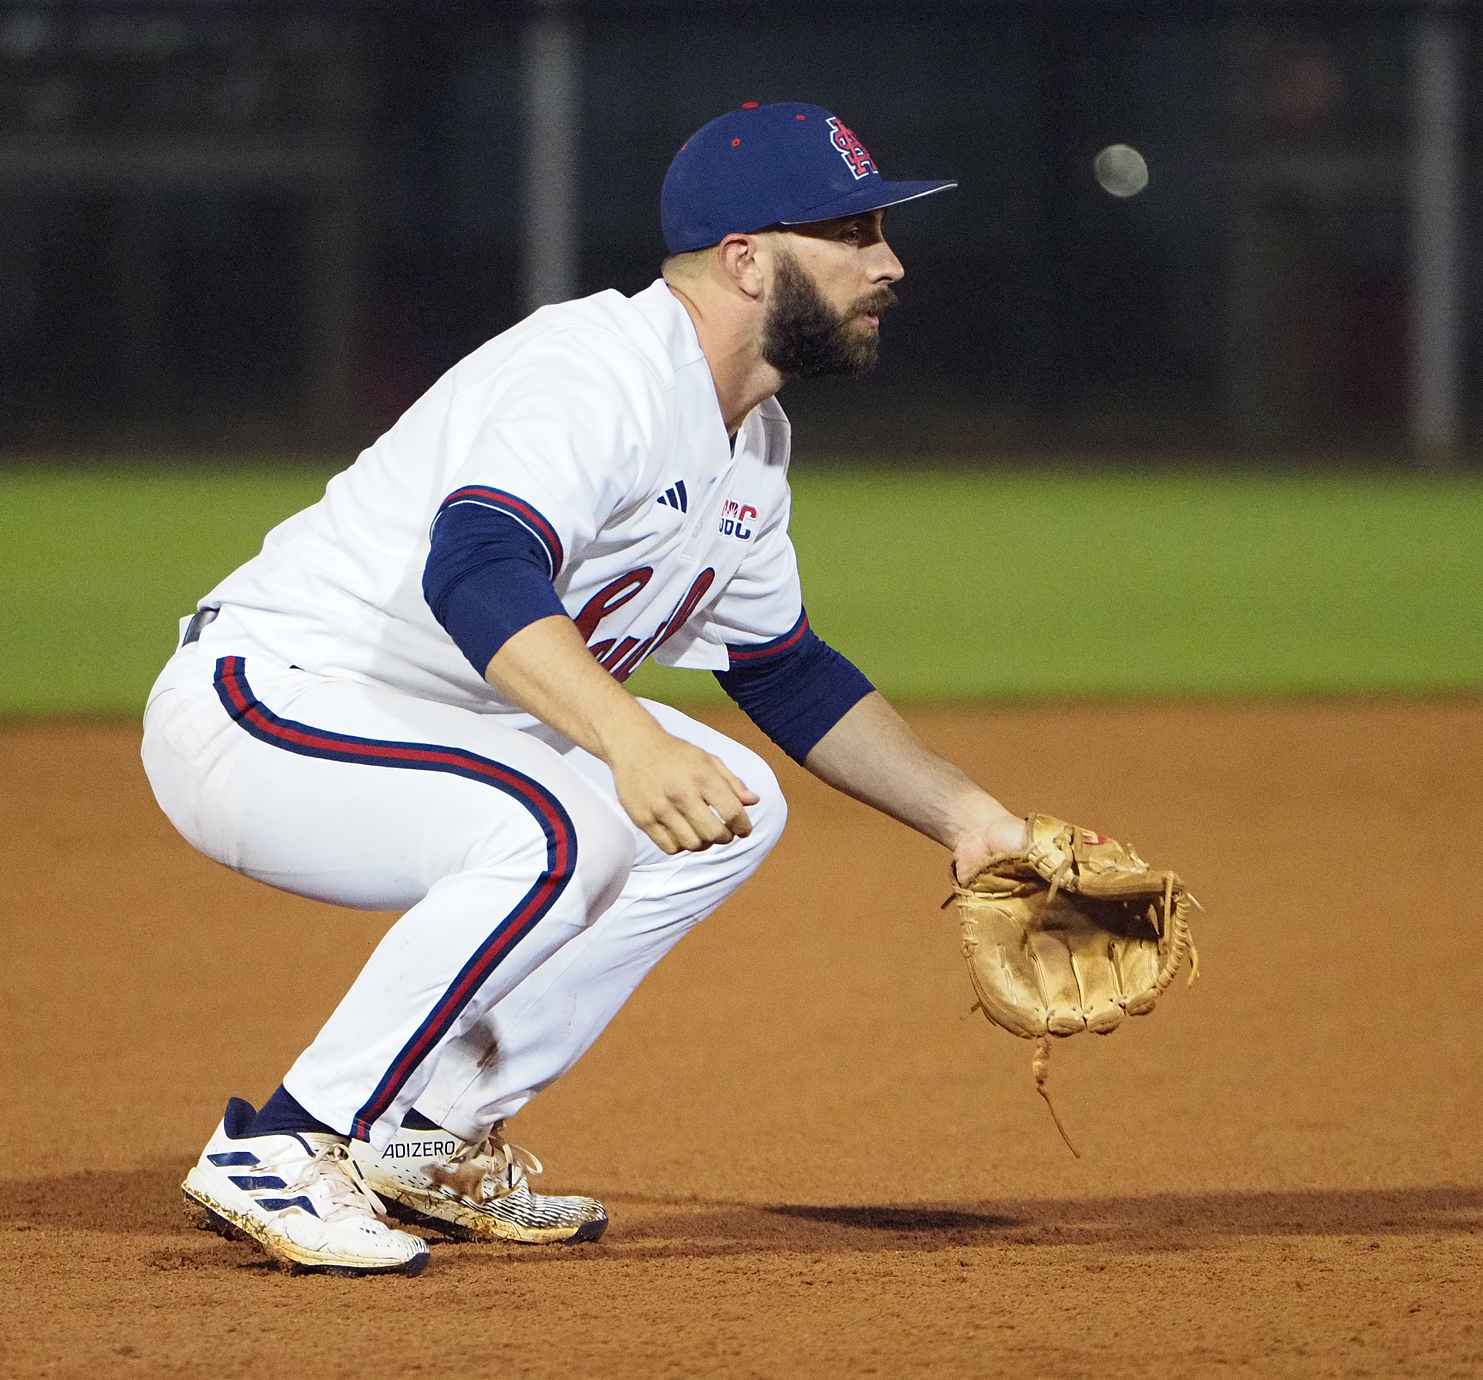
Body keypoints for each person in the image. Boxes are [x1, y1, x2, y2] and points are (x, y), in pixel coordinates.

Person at [142, 101, 1028, 1278]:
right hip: (269, 705)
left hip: (420, 718)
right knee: (560, 828)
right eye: (853, 231)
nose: (890, 262)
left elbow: (786, 672)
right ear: (747, 259)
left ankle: (429, 1132)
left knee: (733, 807)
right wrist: (624, 739)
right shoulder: (598, 370)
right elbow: (476, 564)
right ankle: (286, 1144)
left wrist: (974, 821)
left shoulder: (753, 445)